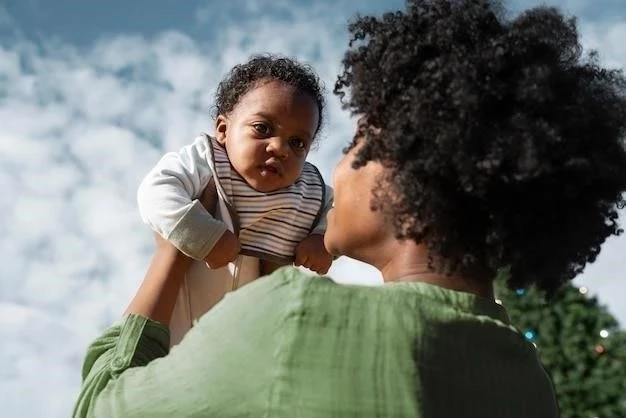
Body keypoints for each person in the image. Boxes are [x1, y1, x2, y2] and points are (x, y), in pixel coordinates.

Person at [73, 0, 626, 416]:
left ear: (409, 173)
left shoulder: (291, 318)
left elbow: (101, 407)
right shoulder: (528, 381)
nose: (333, 169)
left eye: (356, 143)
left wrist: (171, 253)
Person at [136, 55, 334, 344]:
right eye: (263, 128)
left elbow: (341, 212)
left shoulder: (307, 191)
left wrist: (322, 239)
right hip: (176, 331)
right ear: (223, 130)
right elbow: (156, 191)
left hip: (246, 343)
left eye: (297, 143)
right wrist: (204, 236)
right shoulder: (206, 162)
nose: (279, 148)